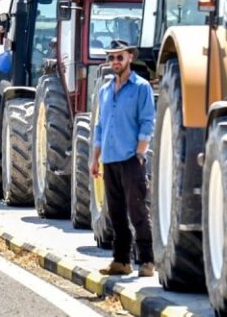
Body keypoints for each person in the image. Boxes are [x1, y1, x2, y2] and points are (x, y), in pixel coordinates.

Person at [91, 39, 156, 277]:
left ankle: (147, 261)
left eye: (120, 57)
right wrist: (95, 158)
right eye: (112, 57)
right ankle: (121, 261)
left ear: (130, 57)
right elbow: (100, 127)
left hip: (131, 159)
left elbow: (147, 122)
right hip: (109, 159)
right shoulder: (105, 90)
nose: (115, 61)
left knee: (137, 210)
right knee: (116, 213)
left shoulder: (141, 87)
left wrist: (140, 153)